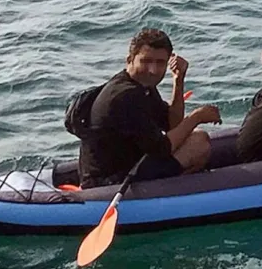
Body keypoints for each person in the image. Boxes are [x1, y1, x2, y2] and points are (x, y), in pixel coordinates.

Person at [78, 28, 221, 188]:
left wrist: (178, 79)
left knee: (195, 136)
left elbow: (172, 124)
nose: (153, 70)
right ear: (129, 60)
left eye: (160, 63)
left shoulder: (141, 85)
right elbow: (162, 148)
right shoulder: (125, 96)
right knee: (198, 144)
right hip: (111, 182)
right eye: (146, 61)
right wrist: (197, 117)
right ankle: (175, 193)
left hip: (130, 163)